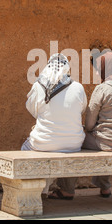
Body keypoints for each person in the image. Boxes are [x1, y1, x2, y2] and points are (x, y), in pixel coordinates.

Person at [49, 51, 112, 200]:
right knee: (105, 136)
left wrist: (91, 129)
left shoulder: (103, 89)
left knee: (73, 139)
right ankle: (105, 188)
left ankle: (67, 189)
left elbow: (89, 124)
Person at [21, 53, 87, 197]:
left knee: (27, 148)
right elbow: (81, 110)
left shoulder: (38, 86)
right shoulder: (78, 87)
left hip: (43, 143)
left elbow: (32, 109)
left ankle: (39, 190)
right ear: (67, 69)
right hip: (74, 144)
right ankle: (64, 190)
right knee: (62, 148)